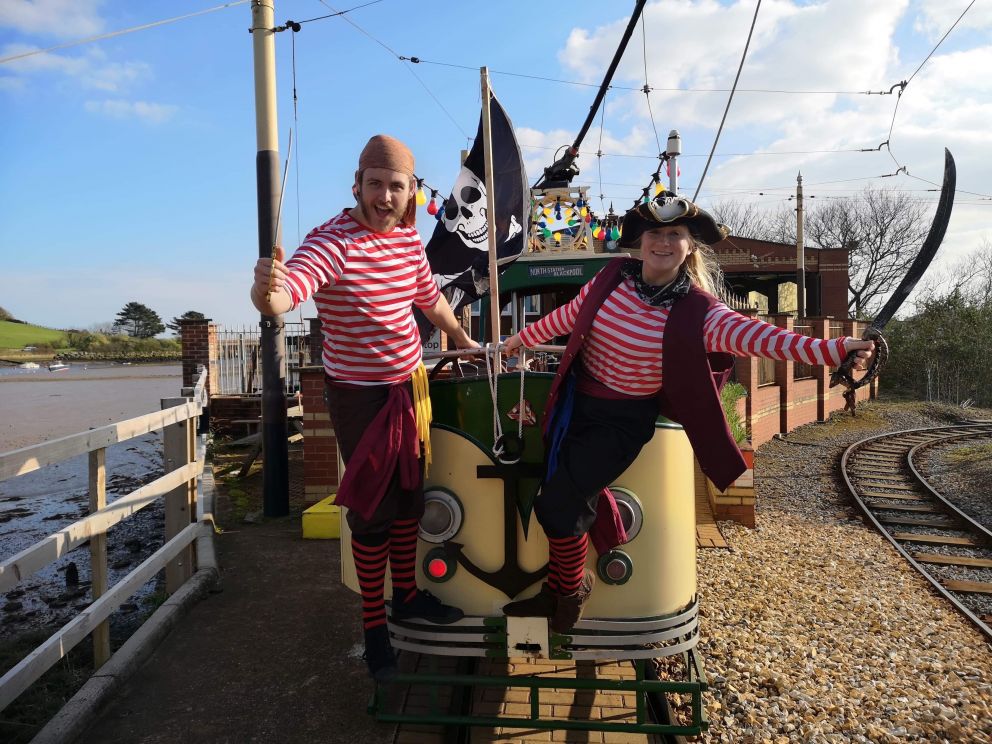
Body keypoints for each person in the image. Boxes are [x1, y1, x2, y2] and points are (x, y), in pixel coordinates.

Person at [501, 195, 874, 632]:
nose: (663, 242)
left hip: (621, 423)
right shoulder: (609, 279)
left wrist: (835, 348)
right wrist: (521, 340)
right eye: (655, 233)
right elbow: (571, 315)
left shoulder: (701, 313)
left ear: (690, 246)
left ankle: (567, 592)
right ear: (639, 242)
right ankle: (564, 584)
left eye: (674, 234)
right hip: (574, 403)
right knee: (561, 489)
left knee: (557, 503)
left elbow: (762, 337)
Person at [250, 134, 479, 683]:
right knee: (372, 515)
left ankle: (408, 598)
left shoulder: (406, 241)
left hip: (409, 387)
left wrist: (462, 341)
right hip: (359, 395)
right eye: (374, 184)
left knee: (408, 499)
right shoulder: (333, 242)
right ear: (358, 185)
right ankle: (375, 630)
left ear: (409, 193)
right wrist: (267, 292)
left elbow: (429, 298)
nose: (384, 195)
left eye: (395, 186)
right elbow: (289, 293)